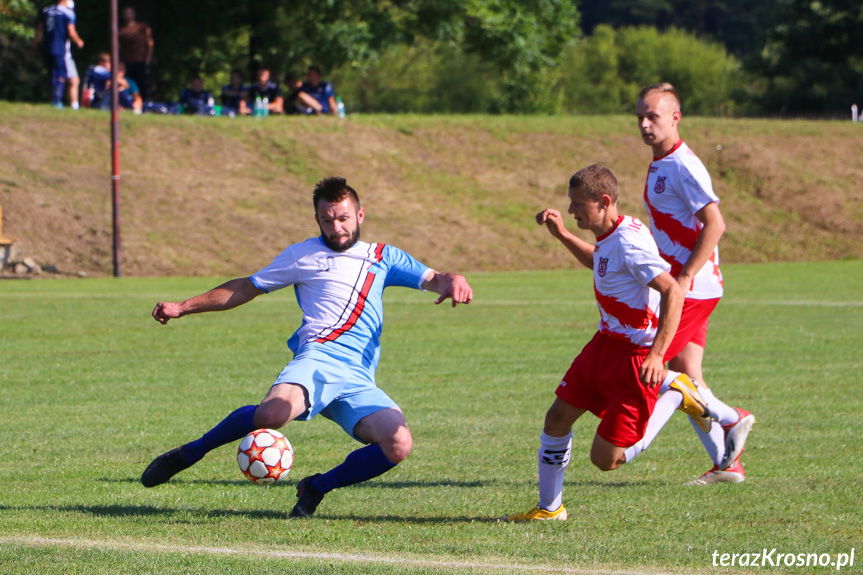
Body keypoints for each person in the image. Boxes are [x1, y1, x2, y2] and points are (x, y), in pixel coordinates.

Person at [140, 176, 474, 519]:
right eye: (327, 220)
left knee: (397, 444)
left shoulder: (383, 257)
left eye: (343, 218)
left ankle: (316, 487)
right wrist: (183, 306)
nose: (336, 228)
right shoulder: (302, 255)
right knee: (272, 414)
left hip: (357, 377)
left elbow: (435, 279)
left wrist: (455, 280)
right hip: (318, 359)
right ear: (317, 220)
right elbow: (246, 287)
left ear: (360, 215)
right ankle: (190, 453)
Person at [506, 164, 715, 521]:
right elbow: (602, 263)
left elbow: (672, 291)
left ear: (603, 202)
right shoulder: (613, 234)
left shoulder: (630, 241)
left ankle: (677, 393)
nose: (571, 211)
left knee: (606, 460)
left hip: (635, 357)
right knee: (556, 418)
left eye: (577, 204)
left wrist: (658, 355)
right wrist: (562, 236)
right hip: (603, 345)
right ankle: (549, 508)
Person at [636, 82, 755, 485]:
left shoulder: (684, 165)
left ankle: (732, 417)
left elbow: (715, 223)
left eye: (653, 115)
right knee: (687, 372)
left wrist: (684, 276)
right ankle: (727, 463)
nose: (645, 123)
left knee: (659, 366)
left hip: (694, 287)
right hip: (689, 286)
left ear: (675, 117)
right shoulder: (661, 162)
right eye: (641, 116)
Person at [36, 0, 84, 109]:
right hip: (59, 48)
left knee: (52, 73)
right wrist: (79, 41)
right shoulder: (67, 13)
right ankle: (56, 100)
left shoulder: (46, 10)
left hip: (46, 46)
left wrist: (36, 43)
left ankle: (54, 98)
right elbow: (71, 32)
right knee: (60, 75)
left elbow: (39, 29)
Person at [119, 6, 154, 100]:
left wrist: (147, 60)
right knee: (129, 83)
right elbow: (118, 47)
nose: (128, 15)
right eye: (126, 13)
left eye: (130, 13)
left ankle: (144, 103)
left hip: (141, 61)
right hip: (127, 62)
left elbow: (150, 44)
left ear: (134, 14)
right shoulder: (121, 31)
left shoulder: (143, 27)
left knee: (142, 84)